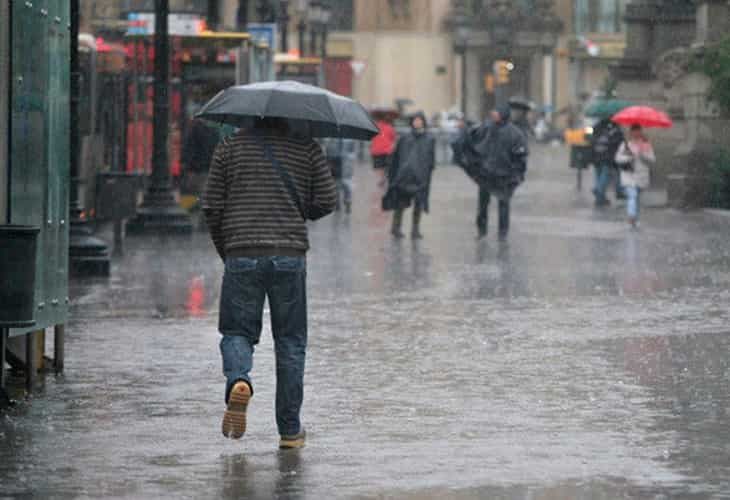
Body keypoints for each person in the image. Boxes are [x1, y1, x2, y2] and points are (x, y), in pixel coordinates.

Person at [202, 117, 337, 450]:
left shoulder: (229, 147)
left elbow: (211, 205)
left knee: (236, 331)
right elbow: (327, 200)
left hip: (241, 251)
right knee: (290, 341)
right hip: (289, 254)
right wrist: (295, 208)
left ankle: (239, 379)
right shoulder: (307, 147)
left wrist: (228, 248)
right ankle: (290, 431)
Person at [473, 105, 528, 241]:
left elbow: (521, 154)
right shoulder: (486, 128)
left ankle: (502, 233)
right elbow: (475, 141)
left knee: (503, 204)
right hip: (486, 173)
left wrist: (516, 172)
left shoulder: (514, 133)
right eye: (493, 112)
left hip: (504, 175)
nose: (493, 115)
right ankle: (482, 231)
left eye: (496, 113)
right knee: (482, 205)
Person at [382, 112, 435, 239]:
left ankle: (415, 230)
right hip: (405, 176)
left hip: (420, 177)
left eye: (419, 120)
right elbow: (396, 156)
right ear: (412, 122)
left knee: (418, 204)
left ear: (423, 121)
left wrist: (427, 172)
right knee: (400, 204)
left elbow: (431, 159)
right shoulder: (405, 138)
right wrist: (394, 172)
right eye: (415, 120)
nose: (417, 122)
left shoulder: (429, 139)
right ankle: (396, 228)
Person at [615, 124, 655, 228]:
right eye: (634, 131)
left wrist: (642, 155)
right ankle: (631, 217)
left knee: (636, 198)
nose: (636, 134)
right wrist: (629, 157)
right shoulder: (625, 144)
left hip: (642, 175)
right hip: (629, 175)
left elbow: (652, 159)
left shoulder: (646, 144)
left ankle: (635, 218)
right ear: (631, 132)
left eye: (638, 131)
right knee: (632, 195)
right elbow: (618, 158)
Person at [590, 117, 625, 206]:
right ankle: (598, 191)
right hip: (607, 156)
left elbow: (590, 139)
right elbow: (619, 142)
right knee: (605, 175)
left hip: (596, 155)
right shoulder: (615, 128)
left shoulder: (596, 126)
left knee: (599, 175)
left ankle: (600, 196)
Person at [324, 137, 357, 213]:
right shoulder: (331, 139)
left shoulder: (349, 140)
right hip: (337, 165)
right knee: (337, 184)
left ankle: (347, 202)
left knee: (345, 184)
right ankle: (339, 202)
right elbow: (328, 152)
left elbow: (353, 153)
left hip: (345, 165)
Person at [370, 116, 396, 187]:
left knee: (378, 166)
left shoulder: (374, 126)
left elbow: (371, 136)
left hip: (376, 150)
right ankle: (383, 178)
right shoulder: (389, 127)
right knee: (385, 166)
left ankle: (380, 179)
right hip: (387, 150)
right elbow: (393, 137)